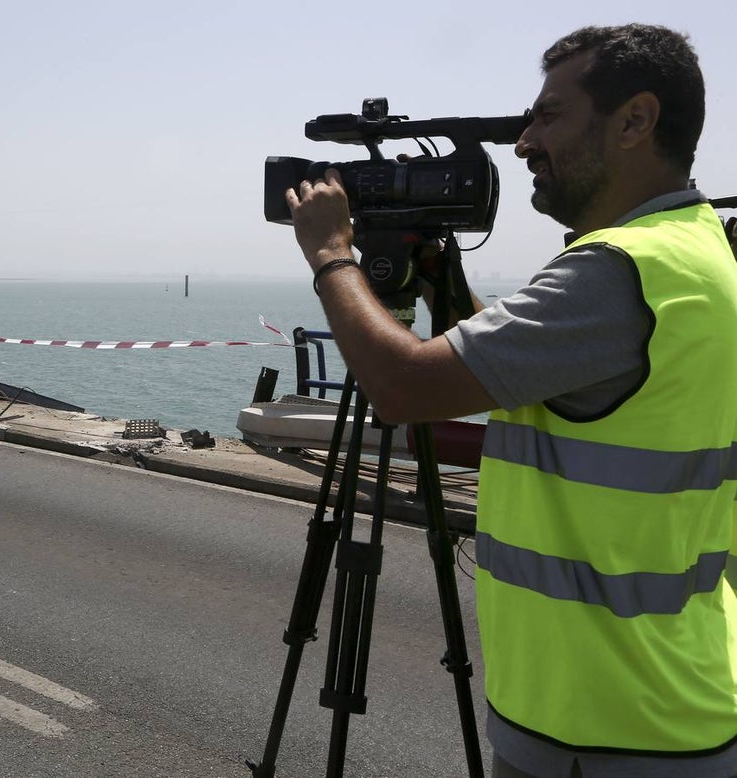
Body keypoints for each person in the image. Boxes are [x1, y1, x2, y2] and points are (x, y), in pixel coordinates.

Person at [286, 24, 737, 778]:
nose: (524, 142)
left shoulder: (618, 272)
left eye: (549, 116)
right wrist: (447, 291)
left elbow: (400, 389)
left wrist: (331, 256)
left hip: (605, 728)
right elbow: (548, 382)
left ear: (636, 121)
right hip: (663, 696)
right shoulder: (693, 250)